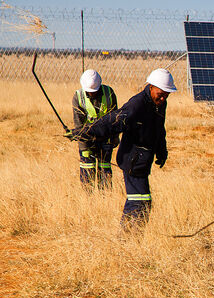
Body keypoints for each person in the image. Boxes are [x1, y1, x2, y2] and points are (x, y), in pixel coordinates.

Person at [71, 69, 176, 231]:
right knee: (139, 201)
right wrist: (86, 132)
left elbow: (159, 130)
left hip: (143, 159)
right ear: (151, 87)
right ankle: (128, 236)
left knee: (141, 201)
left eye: (167, 95)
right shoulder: (137, 104)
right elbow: (113, 121)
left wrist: (162, 152)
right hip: (132, 159)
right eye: (161, 93)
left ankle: (130, 235)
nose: (163, 98)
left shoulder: (159, 104)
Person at [72, 69, 118, 189]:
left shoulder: (109, 93)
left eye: (94, 91)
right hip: (86, 139)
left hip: (106, 138)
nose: (92, 93)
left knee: (105, 170)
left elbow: (116, 119)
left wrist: (114, 137)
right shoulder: (78, 97)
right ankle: (89, 199)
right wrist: (80, 138)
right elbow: (79, 124)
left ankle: (105, 197)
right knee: (87, 170)